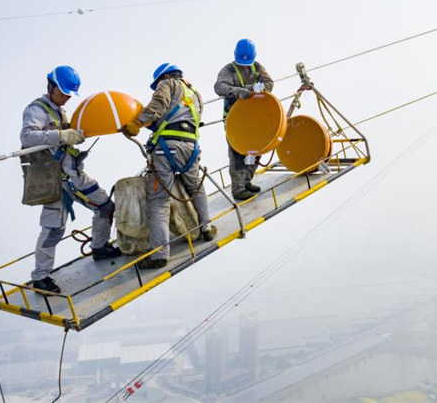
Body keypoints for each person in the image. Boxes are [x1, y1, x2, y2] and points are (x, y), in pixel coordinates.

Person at [20, 66, 121, 294]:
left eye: (68, 94)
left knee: (106, 206)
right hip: (54, 180)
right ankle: (41, 278)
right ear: (51, 86)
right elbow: (27, 136)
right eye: (63, 92)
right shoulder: (37, 110)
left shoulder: (60, 111)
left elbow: (63, 141)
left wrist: (75, 137)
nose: (66, 97)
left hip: (74, 174)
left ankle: (99, 247)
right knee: (53, 230)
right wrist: (61, 135)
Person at [122, 63, 214, 270]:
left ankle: (160, 254)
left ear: (162, 77)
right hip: (191, 149)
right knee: (195, 187)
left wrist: (138, 123)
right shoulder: (196, 95)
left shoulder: (167, 85)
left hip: (166, 149)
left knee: (159, 202)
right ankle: (206, 227)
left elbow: (158, 105)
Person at [214, 38, 275, 200]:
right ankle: (238, 188)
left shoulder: (257, 67)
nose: (246, 65)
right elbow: (219, 87)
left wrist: (259, 89)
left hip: (254, 119)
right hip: (235, 119)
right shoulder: (228, 70)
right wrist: (238, 91)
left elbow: (269, 83)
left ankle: (247, 181)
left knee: (256, 150)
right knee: (238, 153)